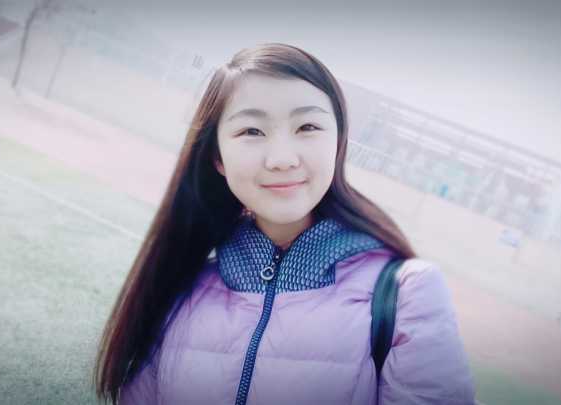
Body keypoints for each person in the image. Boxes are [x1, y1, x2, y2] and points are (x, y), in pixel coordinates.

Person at [94, 43, 476, 404]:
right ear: (218, 157)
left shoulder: (408, 293)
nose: (282, 159)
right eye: (251, 131)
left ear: (338, 142)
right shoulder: (183, 285)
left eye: (307, 127)